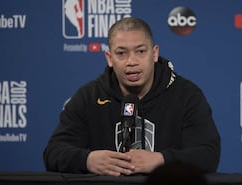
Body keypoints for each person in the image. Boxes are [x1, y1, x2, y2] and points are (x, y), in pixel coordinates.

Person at [43, 17, 221, 176]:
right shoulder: (89, 96)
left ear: (154, 54)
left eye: (140, 51)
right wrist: (87, 160)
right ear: (109, 58)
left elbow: (208, 155)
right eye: (121, 53)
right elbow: (53, 152)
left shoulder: (186, 95)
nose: (132, 61)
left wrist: (162, 160)